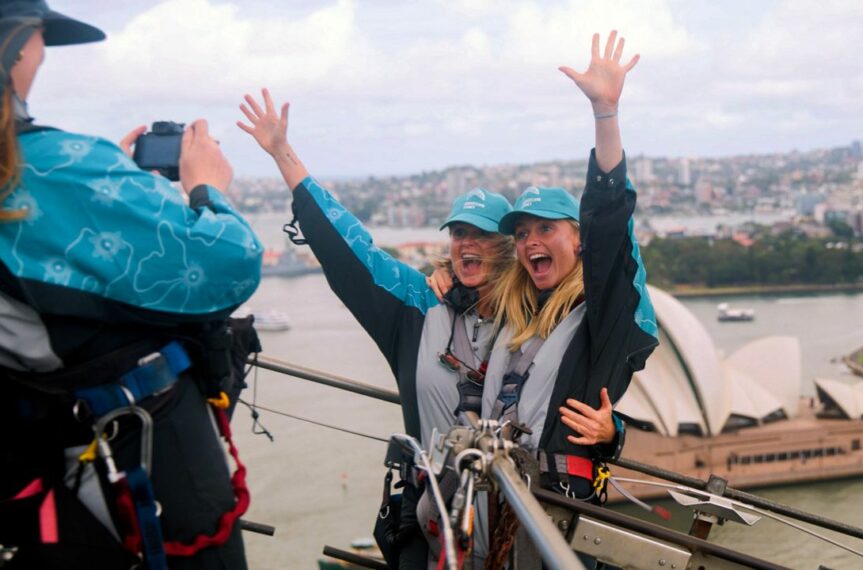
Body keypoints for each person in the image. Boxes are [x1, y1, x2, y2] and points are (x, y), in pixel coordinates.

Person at [0, 2, 262, 569]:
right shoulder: (50, 167)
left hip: (41, 456)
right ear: (19, 45)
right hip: (141, 463)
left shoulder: (54, 172)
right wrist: (205, 187)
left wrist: (108, 190)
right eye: (41, 37)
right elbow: (231, 263)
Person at [237, 89, 514, 568]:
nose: (468, 244)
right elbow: (352, 250)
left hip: (515, 514)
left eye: (483, 234)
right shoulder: (418, 304)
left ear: (509, 246)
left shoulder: (535, 314)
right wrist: (284, 154)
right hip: (434, 513)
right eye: (459, 233)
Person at [479, 31, 659, 566]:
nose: (531, 241)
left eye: (546, 229)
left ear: (576, 239)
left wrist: (606, 113)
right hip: (493, 505)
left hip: (557, 512)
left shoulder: (599, 316)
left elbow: (607, 225)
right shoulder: (511, 312)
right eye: (521, 233)